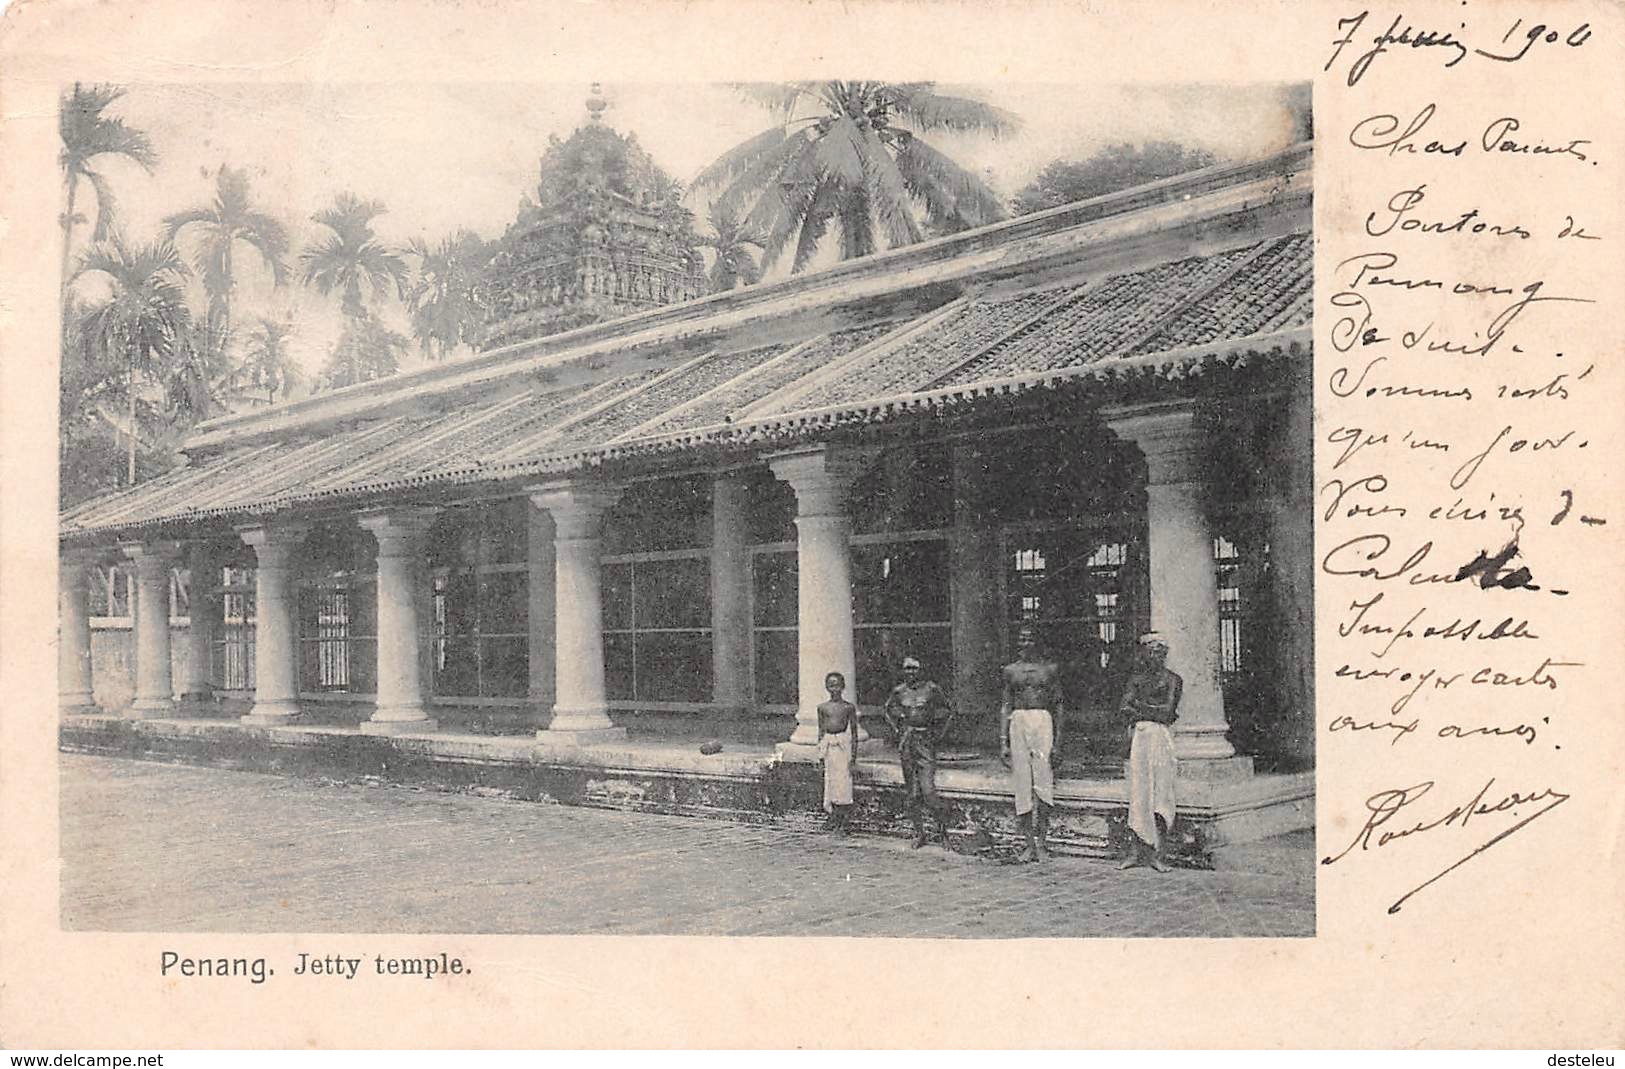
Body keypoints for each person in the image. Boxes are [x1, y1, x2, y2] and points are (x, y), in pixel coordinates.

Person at [1000, 627, 1064, 862]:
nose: (1026, 643)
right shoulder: (1011, 671)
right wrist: (1003, 742)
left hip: (1042, 720)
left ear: (1038, 643)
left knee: (1044, 781)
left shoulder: (1049, 670)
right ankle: (1028, 845)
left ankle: (1043, 843)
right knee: (1022, 783)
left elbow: (1058, 706)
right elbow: (1006, 706)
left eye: (1030, 639)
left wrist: (1057, 742)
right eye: (1022, 639)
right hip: (1019, 720)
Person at [1119, 633, 1181, 872]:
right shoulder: (1136, 680)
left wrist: (1140, 708)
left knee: (1161, 793)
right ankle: (1136, 851)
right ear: (1144, 653)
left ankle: (1158, 853)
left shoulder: (1173, 679)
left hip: (1160, 736)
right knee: (1139, 792)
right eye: (1151, 651)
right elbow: (1123, 708)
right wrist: (1147, 711)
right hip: (1140, 737)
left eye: (1159, 651)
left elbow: (1167, 712)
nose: (1155, 655)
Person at [882, 656, 953, 848]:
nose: (910, 672)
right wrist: (898, 729)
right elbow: (887, 710)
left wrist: (938, 734)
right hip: (907, 741)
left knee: (929, 791)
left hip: (925, 741)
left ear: (921, 670)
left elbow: (948, 711)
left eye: (914, 668)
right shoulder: (899, 691)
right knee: (912, 793)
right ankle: (919, 833)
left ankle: (943, 833)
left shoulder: (931, 689)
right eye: (907, 668)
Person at [816, 671, 858, 836]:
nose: (835, 689)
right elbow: (820, 731)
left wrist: (853, 758)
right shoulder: (822, 708)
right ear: (827, 687)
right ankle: (833, 817)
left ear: (843, 687)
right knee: (831, 783)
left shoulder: (848, 707)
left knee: (843, 784)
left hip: (842, 748)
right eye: (831, 685)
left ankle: (844, 821)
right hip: (829, 747)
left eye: (838, 685)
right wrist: (820, 754)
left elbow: (854, 733)